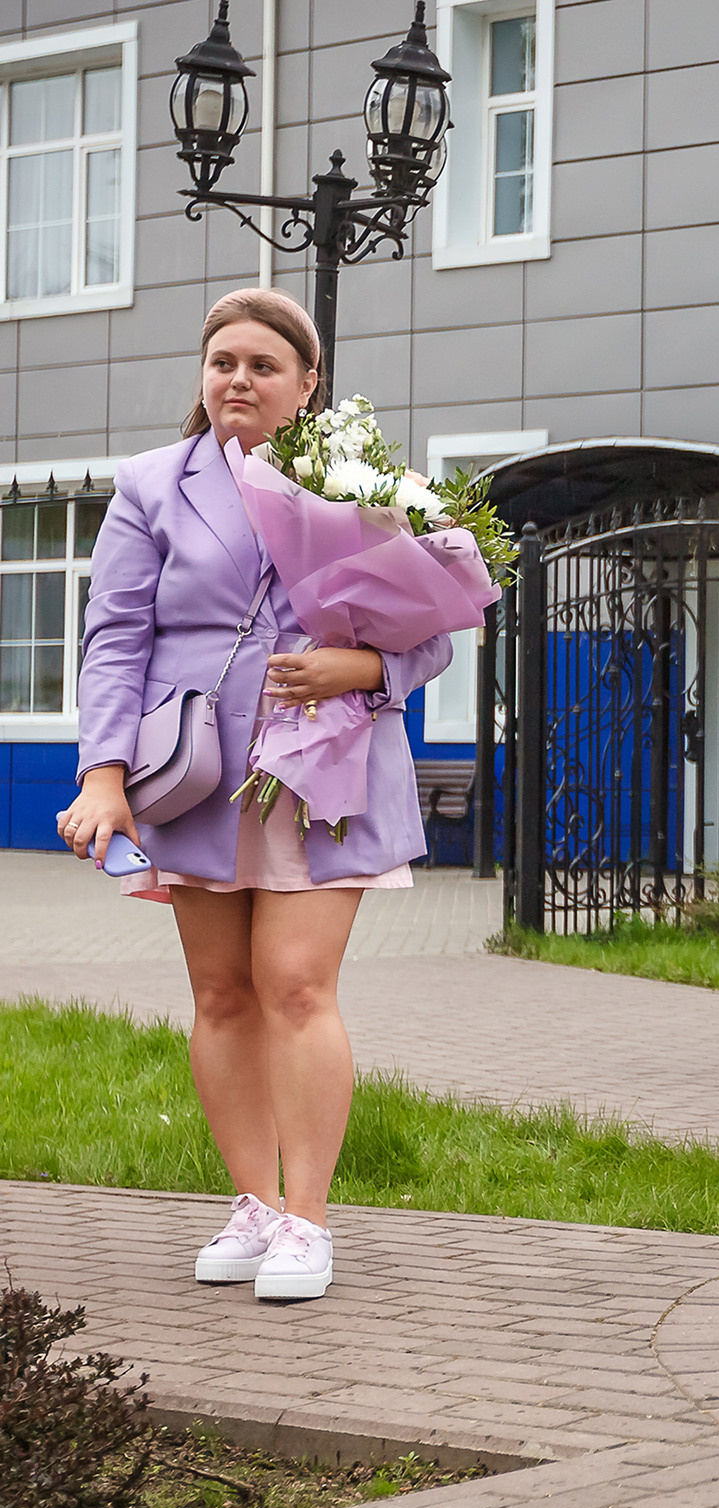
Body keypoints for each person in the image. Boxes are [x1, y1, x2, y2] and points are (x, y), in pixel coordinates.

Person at [59, 288, 453, 1303]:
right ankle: (256, 1204)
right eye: (222, 362)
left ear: (307, 384)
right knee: (223, 995)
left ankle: (307, 1220)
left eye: (262, 365)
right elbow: (114, 637)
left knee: (295, 986)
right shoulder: (151, 486)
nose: (237, 379)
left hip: (328, 770)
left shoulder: (368, 484)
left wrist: (363, 669)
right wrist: (104, 774)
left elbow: (436, 626)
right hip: (197, 775)